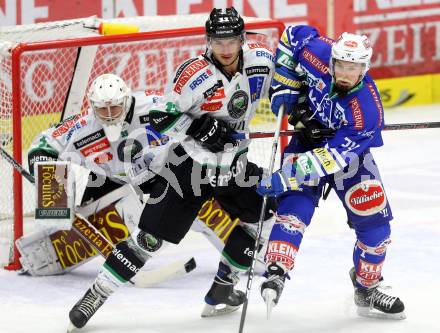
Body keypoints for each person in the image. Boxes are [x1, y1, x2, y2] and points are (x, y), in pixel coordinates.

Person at [67, 7, 277, 330]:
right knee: (148, 241)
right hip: (189, 170)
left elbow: (284, 88)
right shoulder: (192, 74)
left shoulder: (261, 61)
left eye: (231, 40)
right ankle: (97, 293)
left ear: (242, 39)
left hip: (235, 166)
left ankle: (224, 285)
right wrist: (198, 128)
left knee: (265, 214)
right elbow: (163, 117)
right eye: (218, 41)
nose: (224, 48)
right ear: (208, 40)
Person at [256, 25, 406, 320]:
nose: (346, 73)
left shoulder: (367, 111)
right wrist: (286, 86)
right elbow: (292, 35)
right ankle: (275, 271)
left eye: (355, 67)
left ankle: (367, 287)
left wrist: (288, 175)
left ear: (365, 67)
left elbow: (333, 158)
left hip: (347, 157)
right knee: (293, 212)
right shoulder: (317, 52)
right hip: (306, 140)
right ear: (333, 61)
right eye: (341, 65)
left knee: (376, 227)